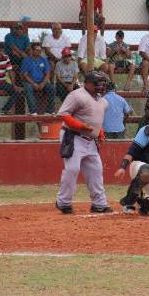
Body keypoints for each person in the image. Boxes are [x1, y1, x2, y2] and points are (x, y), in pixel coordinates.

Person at [55, 71, 111, 214]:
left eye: (103, 83)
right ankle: (63, 202)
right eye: (98, 83)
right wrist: (81, 126)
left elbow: (96, 121)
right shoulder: (77, 95)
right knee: (72, 169)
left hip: (90, 140)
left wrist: (101, 133)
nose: (101, 86)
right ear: (87, 83)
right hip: (73, 136)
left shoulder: (103, 101)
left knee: (96, 170)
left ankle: (99, 203)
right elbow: (63, 114)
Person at [20, 42, 55, 115]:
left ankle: (50, 111)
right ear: (32, 51)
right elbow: (25, 75)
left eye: (40, 50)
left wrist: (43, 83)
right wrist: (33, 84)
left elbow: (48, 73)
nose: (39, 51)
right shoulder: (26, 60)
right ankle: (33, 111)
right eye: (37, 50)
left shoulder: (43, 60)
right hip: (29, 82)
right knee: (28, 88)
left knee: (52, 88)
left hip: (42, 82)